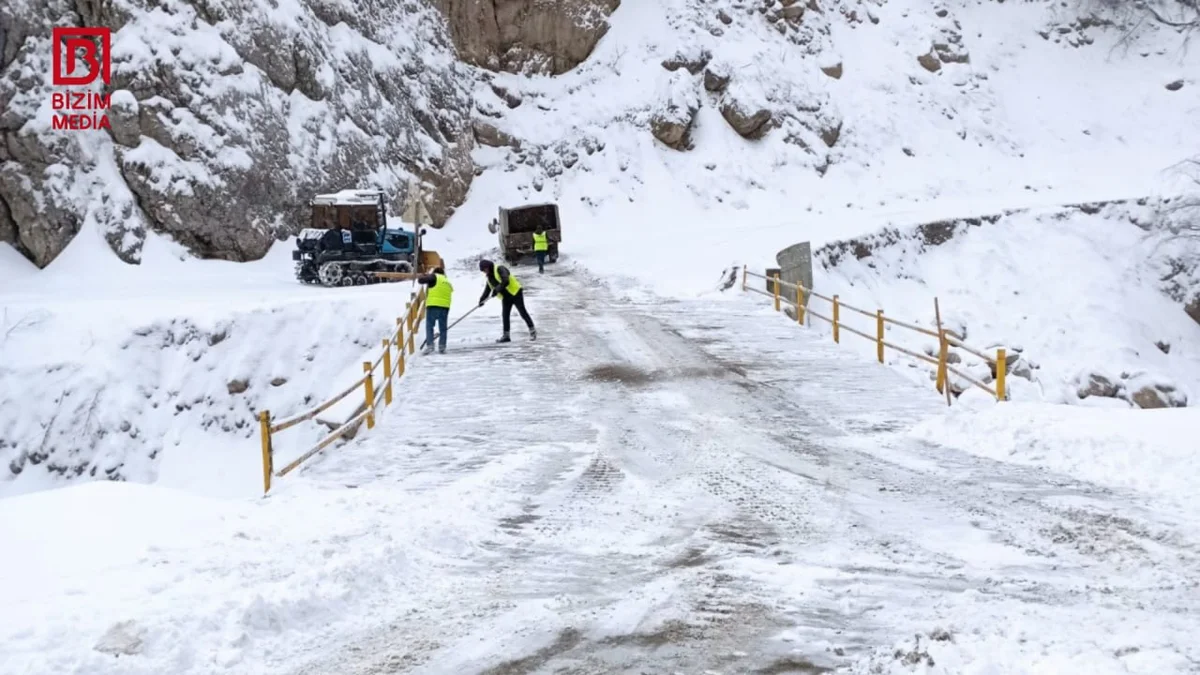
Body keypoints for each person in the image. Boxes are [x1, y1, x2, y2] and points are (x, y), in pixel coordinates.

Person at [478, 259, 536, 342]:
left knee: (522, 312)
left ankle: (532, 331)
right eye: (483, 270)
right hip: (506, 297)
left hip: (515, 292)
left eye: (484, 269)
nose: (484, 272)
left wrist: (497, 289)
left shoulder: (500, 268)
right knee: (505, 315)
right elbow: (487, 290)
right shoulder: (490, 278)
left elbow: (506, 281)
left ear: (488, 266)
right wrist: (481, 300)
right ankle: (506, 336)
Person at [417, 266, 452, 354]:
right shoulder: (447, 281)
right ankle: (442, 347)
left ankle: (430, 346)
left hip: (433, 305)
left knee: (430, 326)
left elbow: (420, 281)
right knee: (443, 328)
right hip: (445, 306)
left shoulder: (434, 276)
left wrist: (423, 276)